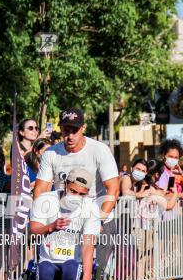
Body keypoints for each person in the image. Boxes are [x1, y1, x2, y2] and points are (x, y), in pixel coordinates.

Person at [33, 107, 120, 268]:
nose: (70, 136)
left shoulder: (99, 150)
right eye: (66, 130)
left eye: (75, 130)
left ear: (83, 128)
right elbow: (40, 190)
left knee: (97, 272)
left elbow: (113, 189)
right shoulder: (51, 153)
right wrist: (40, 219)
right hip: (65, 220)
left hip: (99, 216)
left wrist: (98, 220)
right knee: (61, 270)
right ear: (60, 129)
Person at [29, 167, 100, 280]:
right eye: (73, 191)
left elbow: (88, 244)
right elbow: (34, 228)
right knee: (43, 271)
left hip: (72, 260)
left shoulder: (91, 208)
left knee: (71, 269)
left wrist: (86, 278)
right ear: (65, 184)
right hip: (48, 257)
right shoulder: (47, 200)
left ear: (86, 195)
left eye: (81, 194)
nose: (75, 196)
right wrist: (51, 226)